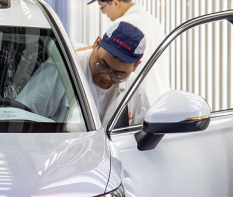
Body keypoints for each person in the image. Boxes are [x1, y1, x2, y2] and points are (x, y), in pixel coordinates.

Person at [18, 20, 149, 127]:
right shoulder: (62, 68)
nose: (106, 76)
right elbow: (22, 116)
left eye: (118, 75)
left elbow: (143, 133)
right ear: (96, 43)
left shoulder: (134, 87)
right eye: (102, 65)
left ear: (136, 66)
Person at [90, 0, 168, 104]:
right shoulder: (151, 20)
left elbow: (104, 55)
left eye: (102, 7)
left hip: (139, 99)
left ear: (115, 3)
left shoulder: (125, 26)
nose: (103, 12)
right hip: (160, 97)